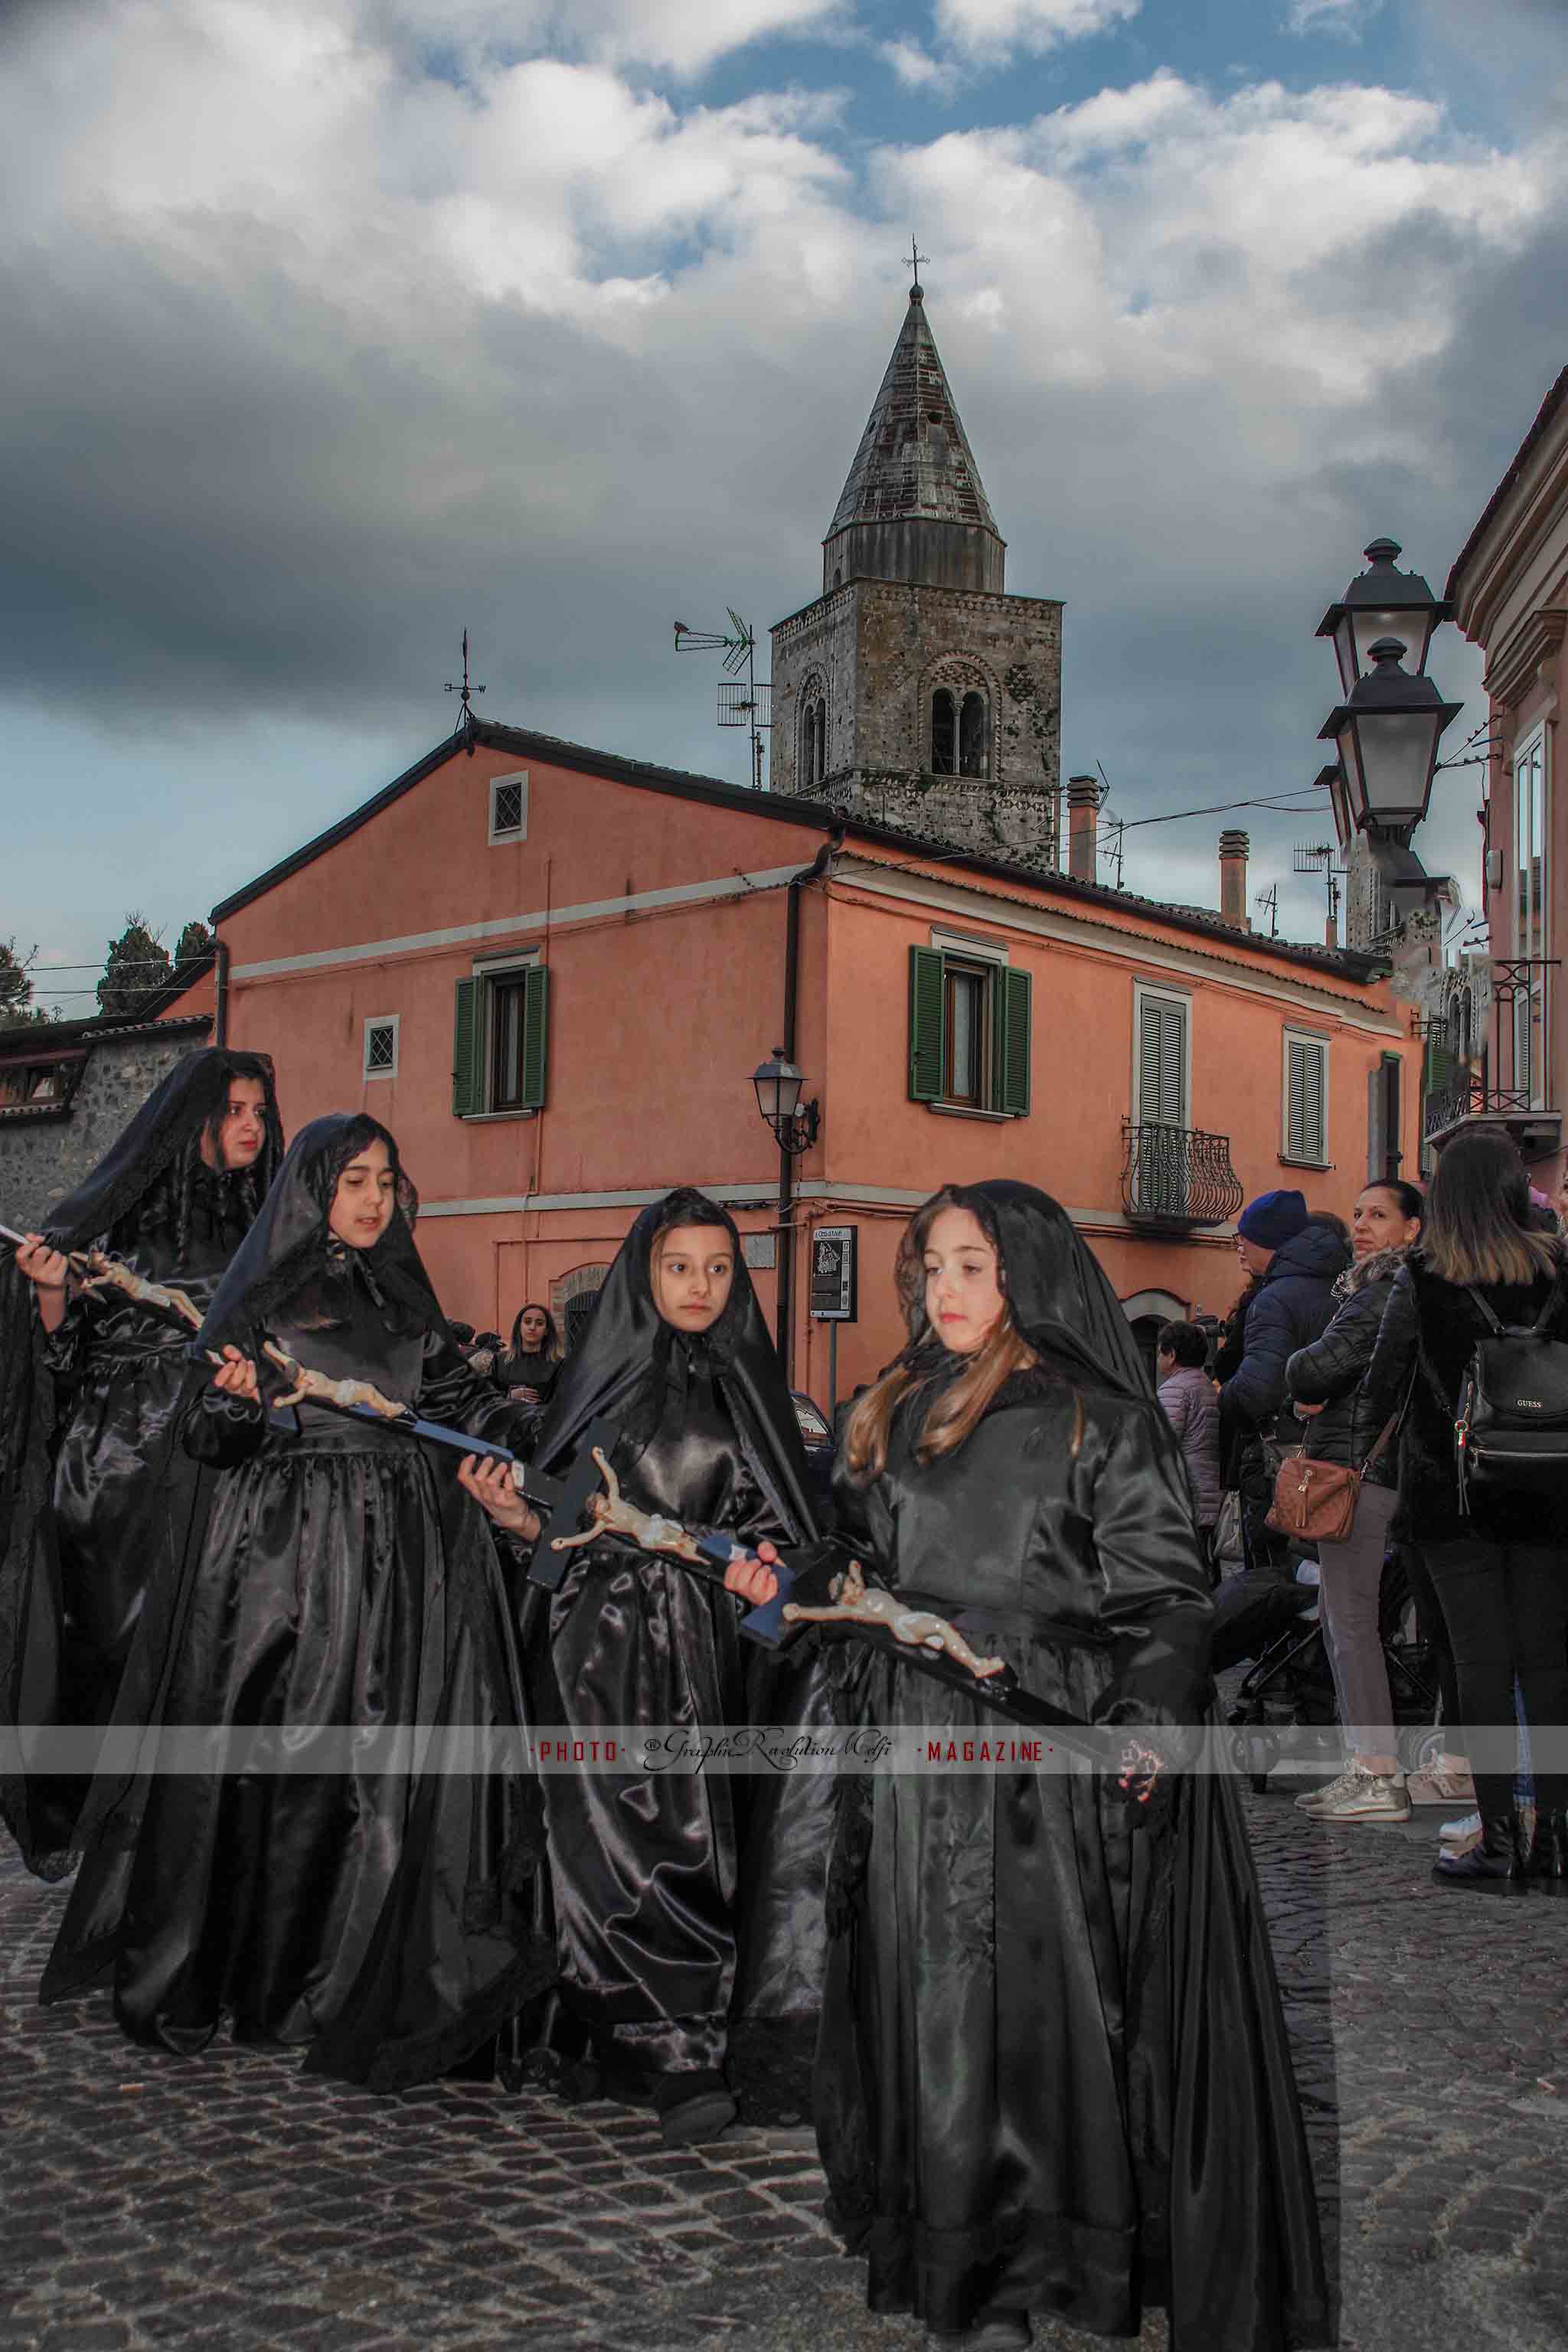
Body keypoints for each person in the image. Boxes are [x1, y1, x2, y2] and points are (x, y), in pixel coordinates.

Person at [807, 1181, 1328, 2352]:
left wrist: (1147, 1711)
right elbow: (839, 1549)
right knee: (933, 2007)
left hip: (1042, 1770)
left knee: (1036, 2019)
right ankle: (957, 2250)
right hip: (912, 1762)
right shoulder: (885, 1408)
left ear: (1026, 1274)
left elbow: (1170, 1599)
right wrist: (793, 1587)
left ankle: (1033, 2252)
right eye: (930, 1267)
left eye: (972, 1267)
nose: (944, 1290)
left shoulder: (1101, 1419)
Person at [39, 1114, 555, 2087]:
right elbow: (206, 1433)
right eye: (352, 1179)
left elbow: (451, 1399)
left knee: (378, 1774)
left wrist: (527, 1435)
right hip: (286, 1566)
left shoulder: (401, 1295)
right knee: (294, 1767)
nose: (370, 1198)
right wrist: (238, 1404)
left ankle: (356, 1966)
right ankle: (280, 1976)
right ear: (313, 1191)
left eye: (384, 1179)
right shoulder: (264, 1295)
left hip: (400, 1561)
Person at [465, 1188, 821, 2147]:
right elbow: (558, 1530)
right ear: (644, 1275)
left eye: (716, 1268)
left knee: (689, 1832)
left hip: (699, 1645)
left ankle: (682, 2032)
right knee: (593, 1831)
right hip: (594, 1637)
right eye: (678, 1267)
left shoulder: (751, 1387)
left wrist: (765, 1572)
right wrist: (513, 1518)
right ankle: (639, 2038)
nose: (699, 1285)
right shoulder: (606, 1380)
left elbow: (781, 1528)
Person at [2, 1050, 283, 1873]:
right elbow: (59, 1359)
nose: (251, 1127)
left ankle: (192, 1847)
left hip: (224, 1457)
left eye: (261, 1113)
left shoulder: (272, 1225)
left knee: (212, 1656)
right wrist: (51, 1295)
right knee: (115, 1654)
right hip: (118, 1465)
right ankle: (114, 1836)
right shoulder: (122, 1221)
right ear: (191, 1118)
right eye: (234, 1110)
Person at [1357, 1129, 1568, 1889]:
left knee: (1479, 1664)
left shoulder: (1421, 1279)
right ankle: (1553, 1840)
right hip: (1548, 1490)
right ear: (1516, 1193)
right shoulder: (1557, 1270)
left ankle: (1500, 1841)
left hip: (1450, 1496)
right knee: (1547, 1665)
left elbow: (1379, 1383)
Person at [1286, 1180, 1426, 1824]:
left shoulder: (1379, 1294)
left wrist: (1306, 1385)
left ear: (1413, 1229)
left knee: (1351, 1628)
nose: (1363, 1225)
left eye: (1380, 1215)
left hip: (1359, 1472)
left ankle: (1376, 1773)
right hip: (1377, 1469)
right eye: (1358, 1214)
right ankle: (1366, 1767)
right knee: (1347, 1624)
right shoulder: (1385, 1292)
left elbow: (1311, 1370)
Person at [1155, 1319, 1220, 1559]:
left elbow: (1162, 1443)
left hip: (1185, 1491)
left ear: (1171, 1355)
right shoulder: (1207, 1385)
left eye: (1160, 1352)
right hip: (1209, 1489)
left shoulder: (1174, 1389)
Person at [498, 1301, 566, 1404]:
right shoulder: (500, 1361)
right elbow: (486, 1396)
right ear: (519, 1327)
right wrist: (508, 1396)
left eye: (539, 1323)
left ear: (546, 1330)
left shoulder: (558, 1364)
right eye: (527, 1322)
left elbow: (563, 1401)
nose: (532, 1327)